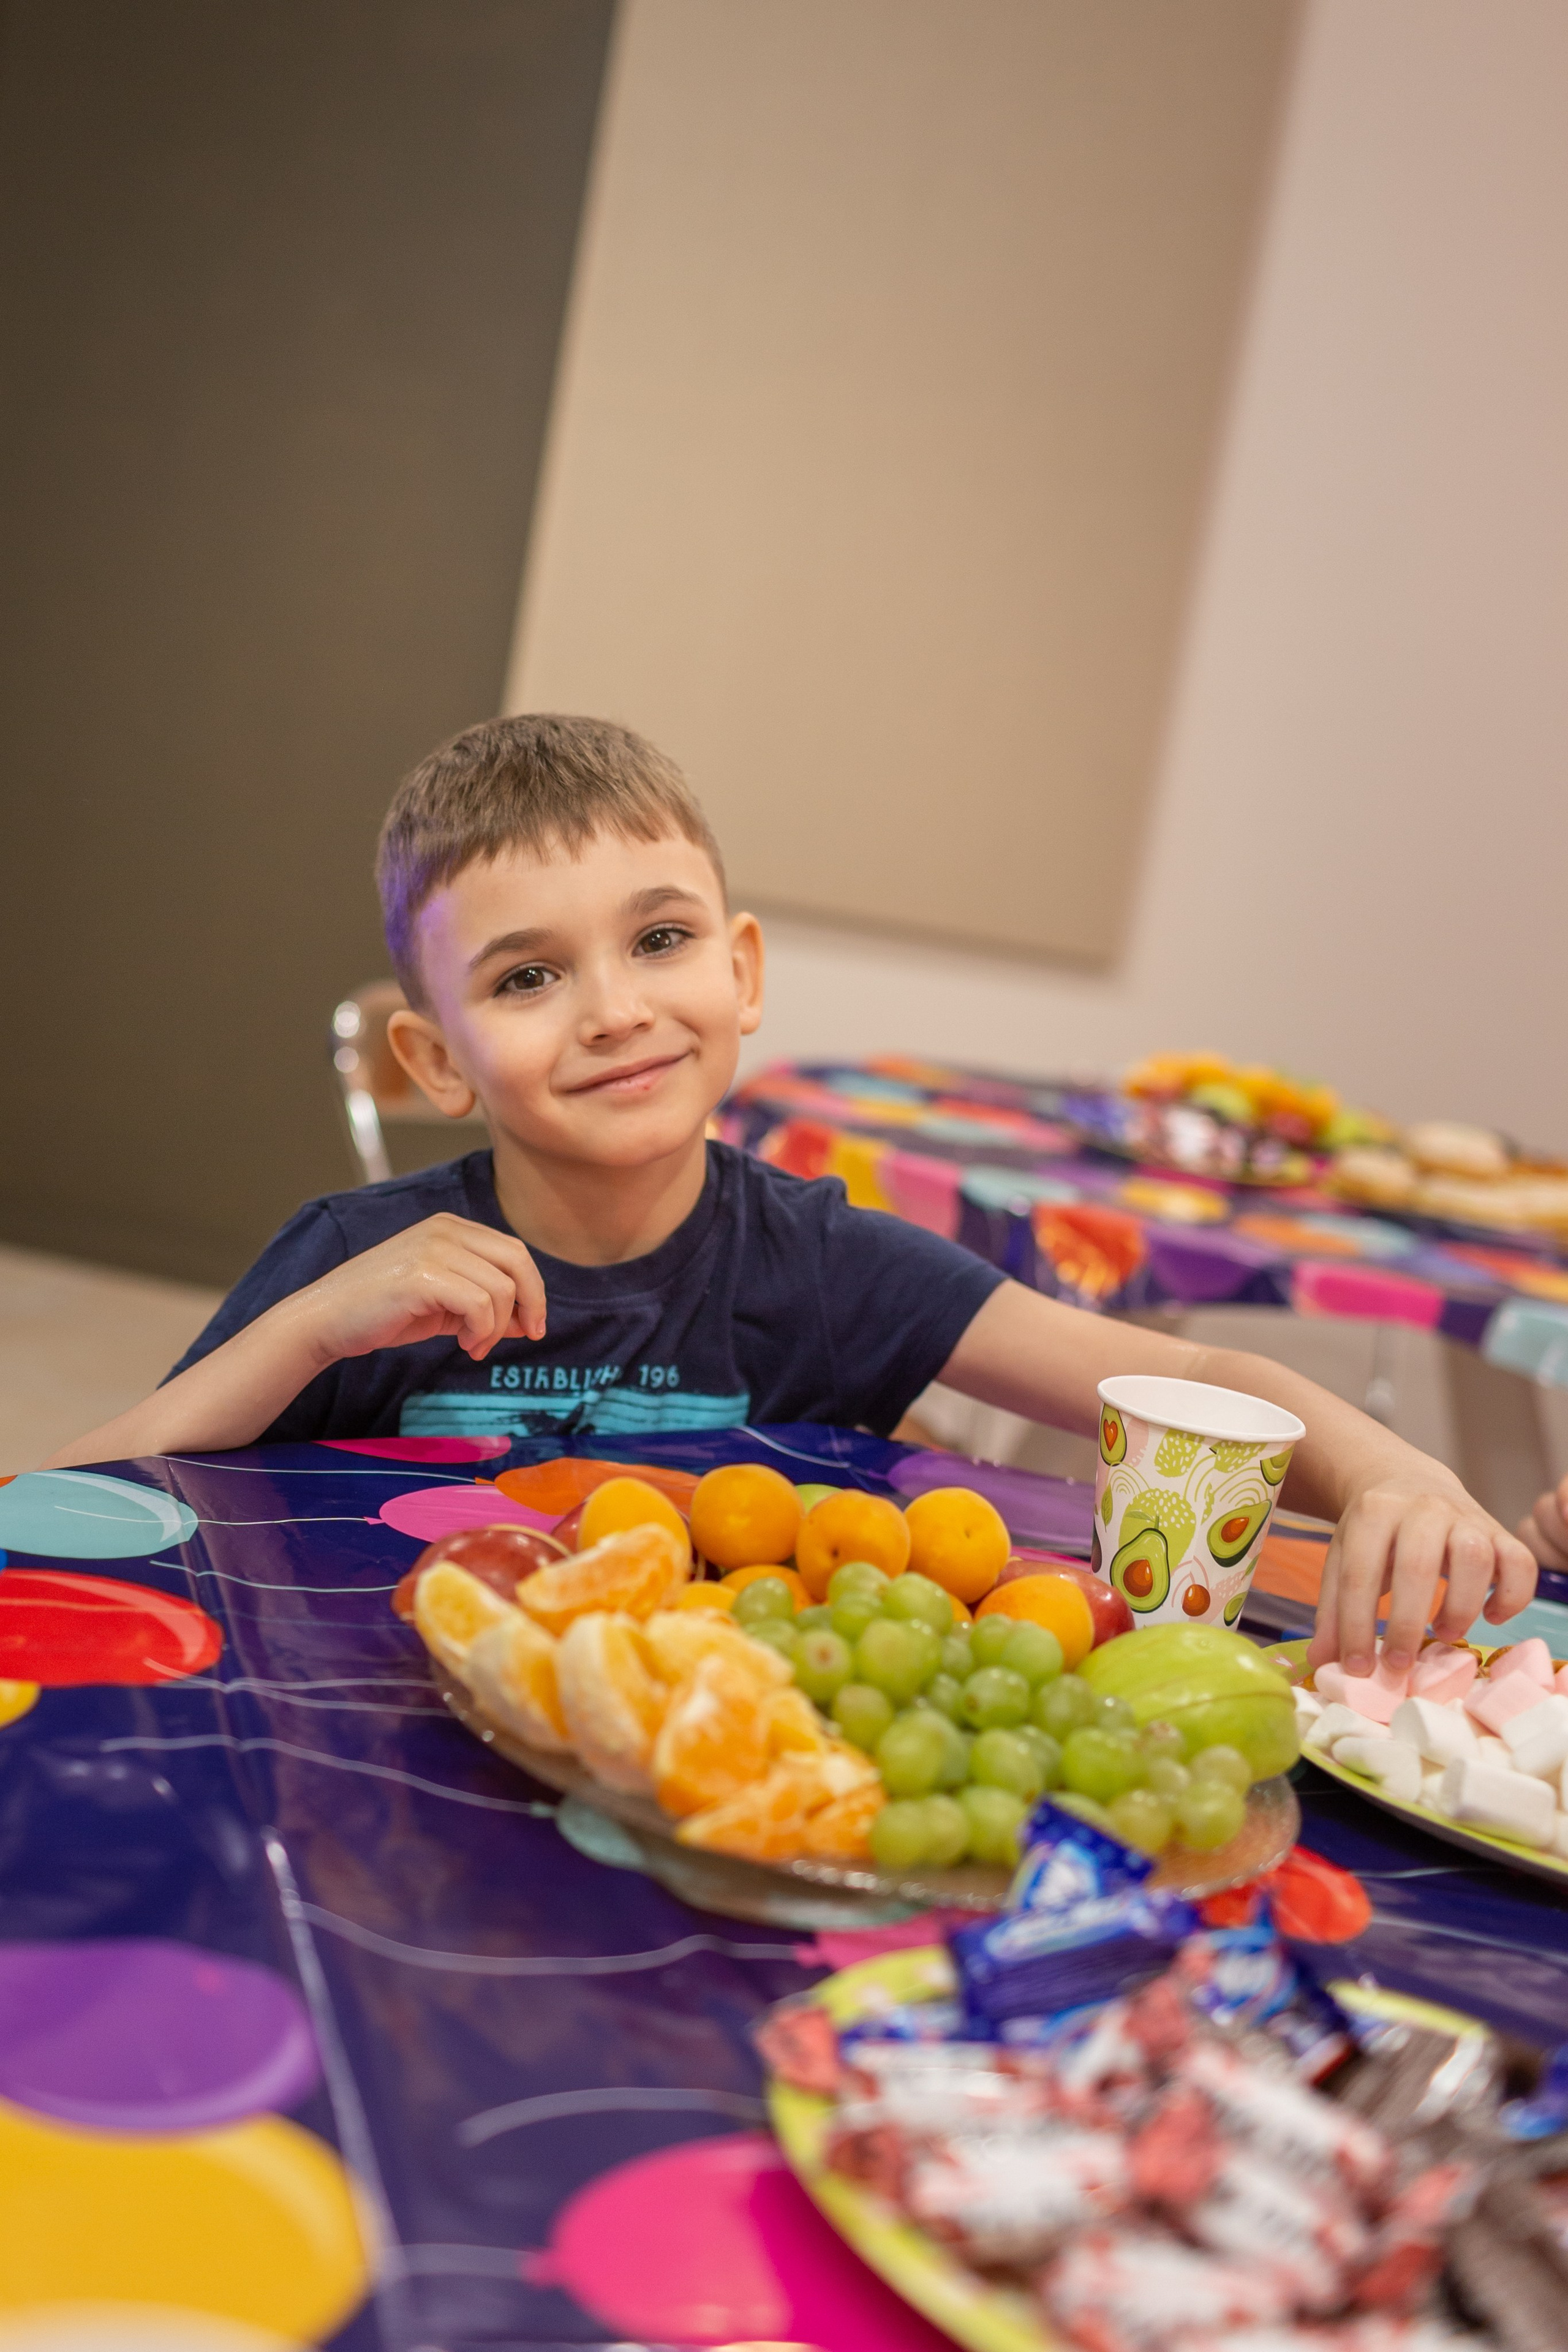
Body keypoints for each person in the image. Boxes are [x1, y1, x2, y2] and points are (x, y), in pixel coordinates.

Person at [50, 715, 1537, 1673]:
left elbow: (1190, 1370)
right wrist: (300, 1338)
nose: (615, 1010)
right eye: (527, 976)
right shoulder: (353, 1269)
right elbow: (63, 1510)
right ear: (436, 1057)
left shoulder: (822, 1266)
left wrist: (1399, 1479)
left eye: (659, 940)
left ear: (740, 974)